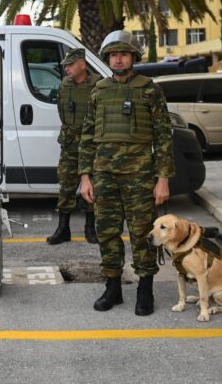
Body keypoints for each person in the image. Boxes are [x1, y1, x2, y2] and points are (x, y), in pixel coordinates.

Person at [78, 30, 174, 316]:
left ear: (133, 57)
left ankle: (145, 290)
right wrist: (85, 176)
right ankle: (113, 288)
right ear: (108, 58)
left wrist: (163, 179)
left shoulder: (150, 90)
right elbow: (87, 135)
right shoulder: (100, 91)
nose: (118, 59)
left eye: (123, 54)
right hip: (104, 176)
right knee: (106, 233)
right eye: (113, 55)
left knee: (142, 233)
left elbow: (164, 137)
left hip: (140, 177)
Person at [47, 48, 101, 245]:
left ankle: (90, 228)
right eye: (65, 65)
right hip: (70, 144)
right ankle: (63, 229)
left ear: (83, 64)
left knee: (91, 185)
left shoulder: (98, 85)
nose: (67, 68)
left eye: (70, 65)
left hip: (91, 144)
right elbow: (62, 112)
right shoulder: (64, 85)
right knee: (66, 185)